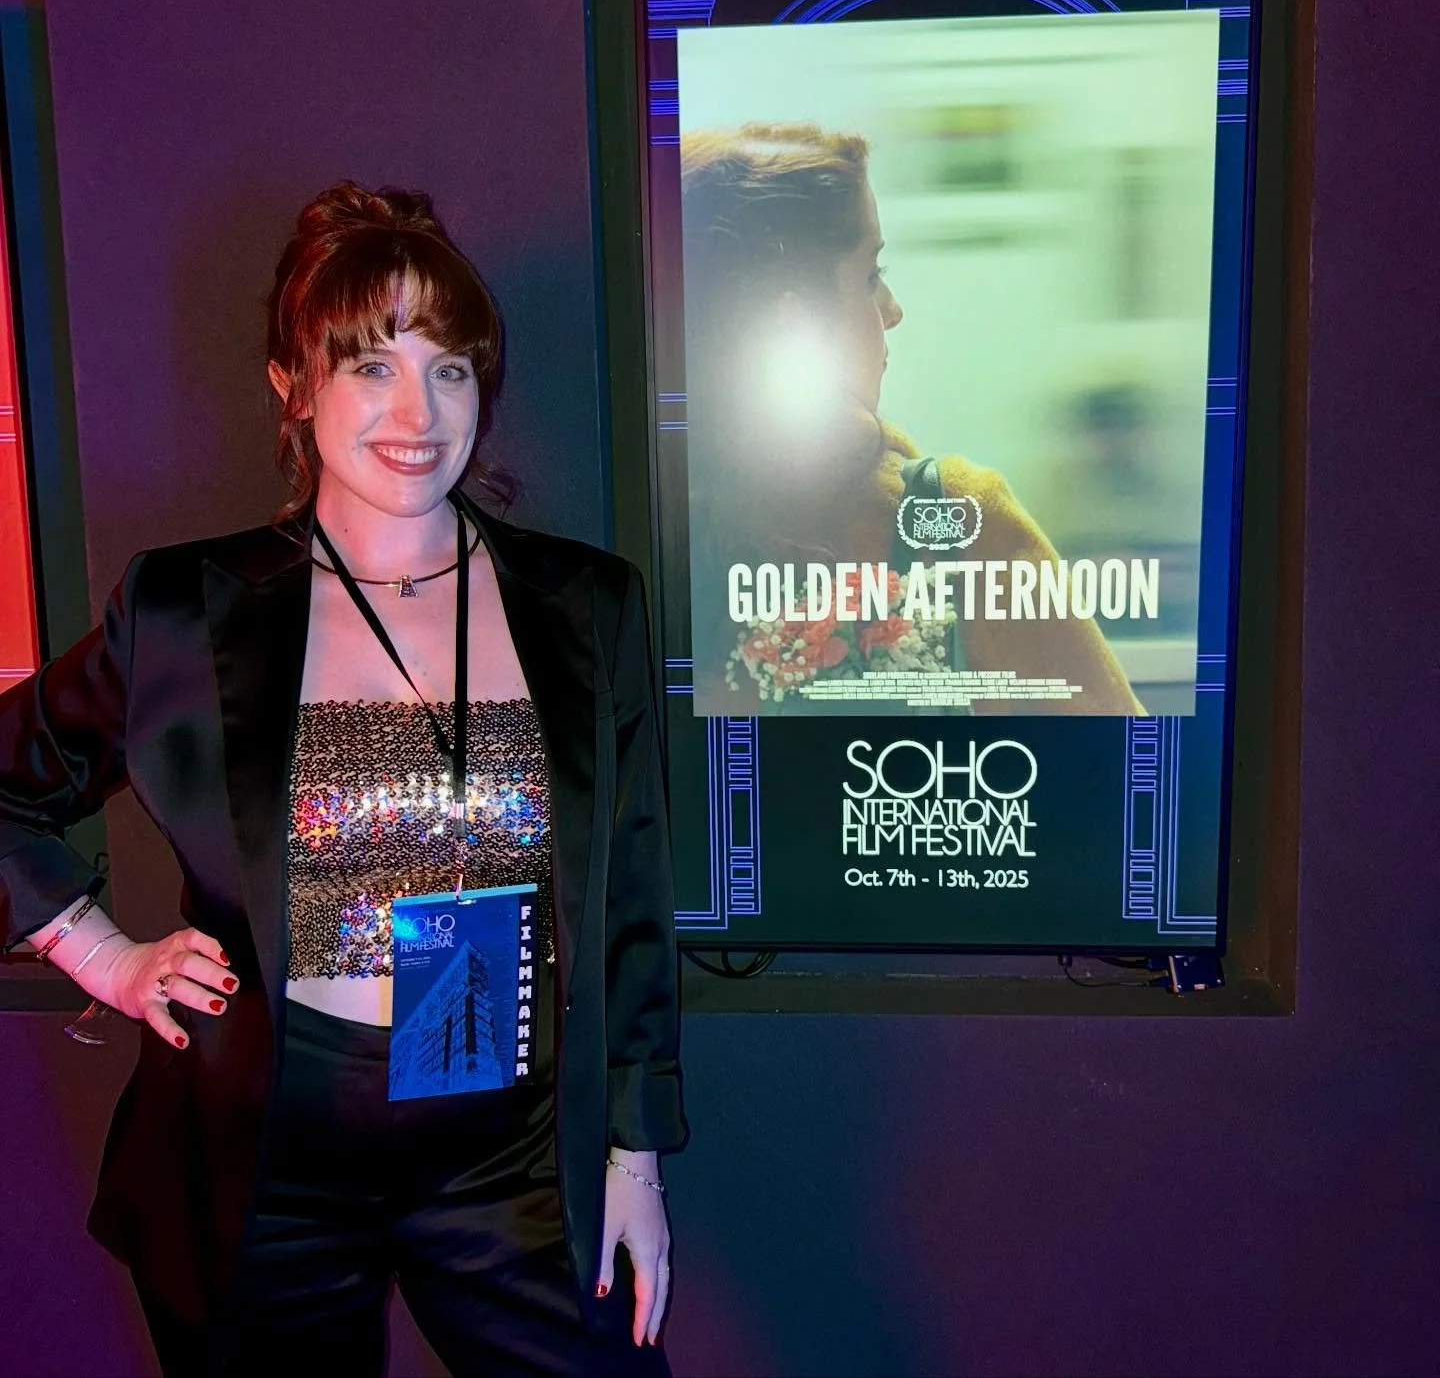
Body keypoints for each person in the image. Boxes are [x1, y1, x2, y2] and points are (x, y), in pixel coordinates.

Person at [0, 183, 685, 1376]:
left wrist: (636, 1154)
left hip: (508, 1153)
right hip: (268, 1153)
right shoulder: (185, 609)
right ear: (294, 384)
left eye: (450, 368)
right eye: (373, 365)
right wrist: (103, 956)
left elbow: (631, 892)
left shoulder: (587, 604)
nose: (420, 411)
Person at [679, 122, 1143, 716]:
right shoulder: (960, 521)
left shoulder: (651, 538)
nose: (892, 310)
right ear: (792, 324)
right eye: (870, 277)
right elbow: (1115, 755)